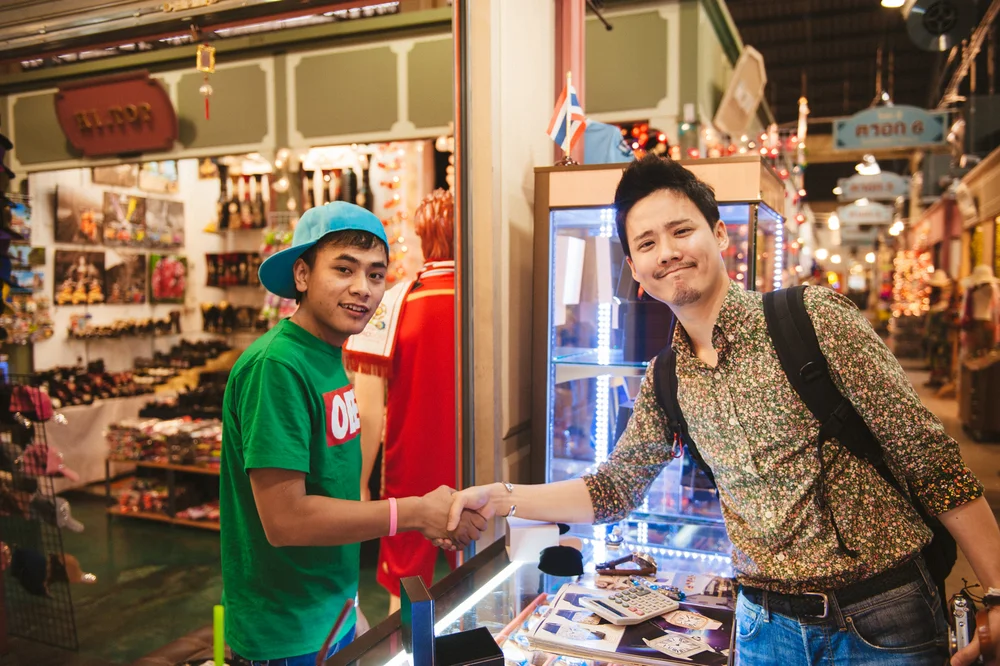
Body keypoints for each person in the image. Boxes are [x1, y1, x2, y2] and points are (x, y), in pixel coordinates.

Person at [446, 156, 1000, 666]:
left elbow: (930, 459)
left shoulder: (814, 318)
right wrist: (501, 497)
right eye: (647, 243)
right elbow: (614, 488)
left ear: (719, 234)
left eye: (681, 231)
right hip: (763, 628)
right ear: (635, 269)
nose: (667, 252)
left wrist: (997, 594)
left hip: (881, 615)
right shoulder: (666, 378)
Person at [220, 201, 485, 666]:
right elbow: (285, 520)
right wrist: (413, 512)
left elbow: (329, 490)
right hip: (287, 633)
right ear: (302, 274)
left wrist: (349, 604)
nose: (363, 288)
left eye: (375, 274)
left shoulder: (326, 354)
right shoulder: (277, 366)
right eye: (344, 269)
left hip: (330, 611)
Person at [345, 189, 458, 614]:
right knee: (484, 569)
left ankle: (405, 648)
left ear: (421, 236)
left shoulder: (392, 305)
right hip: (477, 461)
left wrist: (360, 481)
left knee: (405, 588)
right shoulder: (486, 299)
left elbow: (367, 411)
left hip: (411, 464)